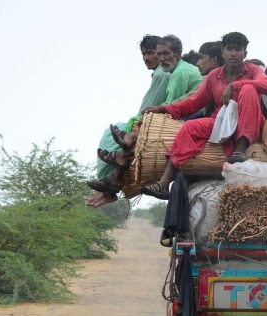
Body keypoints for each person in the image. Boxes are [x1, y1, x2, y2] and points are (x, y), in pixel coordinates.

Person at [137, 32, 267, 199]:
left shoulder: (253, 70)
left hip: (250, 123)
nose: (234, 54)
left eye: (238, 49)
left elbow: (266, 85)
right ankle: (164, 183)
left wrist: (236, 85)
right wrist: (164, 109)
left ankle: (240, 149)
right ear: (223, 53)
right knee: (189, 127)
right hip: (221, 123)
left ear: (245, 54)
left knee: (249, 89)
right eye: (229, 49)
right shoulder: (214, 76)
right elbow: (194, 102)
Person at [86, 35, 203, 205]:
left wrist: (143, 121)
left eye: (160, 53)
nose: (157, 58)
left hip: (187, 120)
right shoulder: (174, 71)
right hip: (182, 117)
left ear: (177, 54)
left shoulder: (171, 74)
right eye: (157, 54)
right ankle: (113, 179)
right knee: (123, 136)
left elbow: (171, 108)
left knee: (114, 137)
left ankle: (111, 182)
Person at [85, 35, 169, 207]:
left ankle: (106, 189)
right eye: (144, 54)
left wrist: (139, 123)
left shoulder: (162, 74)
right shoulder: (162, 73)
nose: (146, 58)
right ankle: (107, 187)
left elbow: (147, 108)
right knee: (115, 136)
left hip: (156, 120)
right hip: (158, 117)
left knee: (112, 135)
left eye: (150, 53)